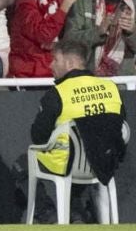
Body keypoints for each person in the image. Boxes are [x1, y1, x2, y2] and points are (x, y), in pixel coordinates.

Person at [30, 37, 129, 212]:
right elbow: (119, 124)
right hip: (106, 161)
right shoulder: (111, 87)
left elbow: (38, 137)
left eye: (56, 59)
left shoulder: (57, 93)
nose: (51, 65)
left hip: (67, 164)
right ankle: (79, 214)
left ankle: (50, 216)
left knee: (23, 162)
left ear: (69, 63)